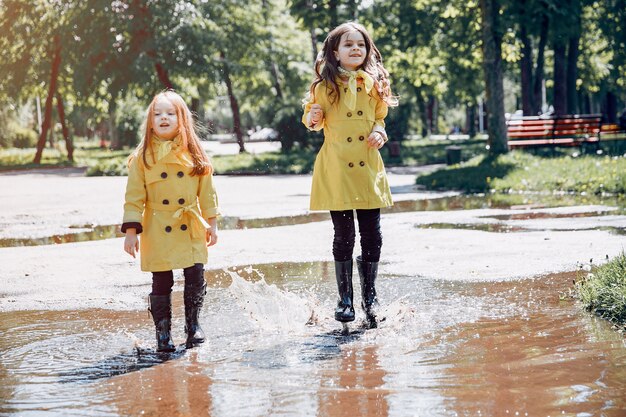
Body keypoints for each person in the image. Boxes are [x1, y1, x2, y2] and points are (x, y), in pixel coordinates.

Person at [302, 22, 398, 329]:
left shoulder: (376, 83)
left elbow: (380, 118)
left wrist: (380, 132)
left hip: (368, 167)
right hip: (337, 167)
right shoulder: (325, 86)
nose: (355, 48)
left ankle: (370, 298)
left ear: (368, 51)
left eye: (361, 44)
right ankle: (345, 299)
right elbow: (312, 117)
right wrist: (313, 117)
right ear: (335, 52)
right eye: (348, 44)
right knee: (344, 234)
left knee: (372, 233)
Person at [122, 90, 219, 352]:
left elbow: (207, 192)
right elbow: (133, 196)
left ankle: (193, 326)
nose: (163, 118)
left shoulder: (195, 153)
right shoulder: (142, 158)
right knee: (161, 279)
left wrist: (212, 222)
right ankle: (163, 334)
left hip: (191, 223)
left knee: (195, 274)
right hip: (157, 225)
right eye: (157, 114)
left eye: (170, 113)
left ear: (182, 119)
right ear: (150, 121)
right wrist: (131, 231)